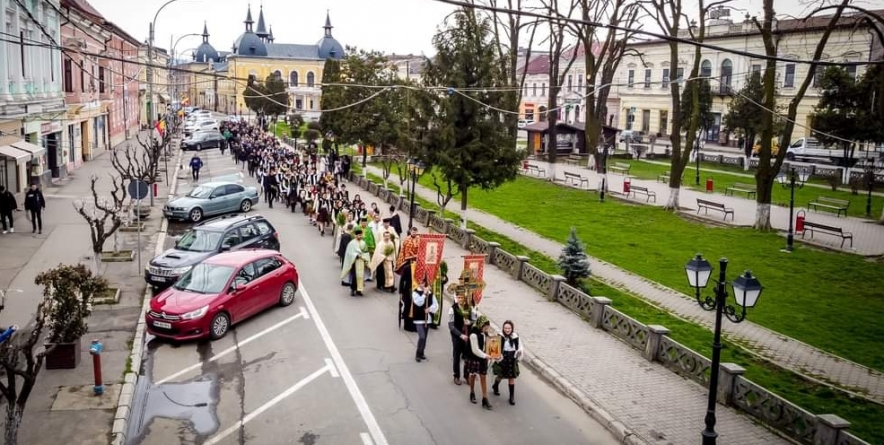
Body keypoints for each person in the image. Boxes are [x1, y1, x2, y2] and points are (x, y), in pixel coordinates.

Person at [464, 315, 496, 410]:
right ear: (480, 325)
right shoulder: (473, 335)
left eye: (487, 327)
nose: (486, 329)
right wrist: (485, 355)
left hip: (483, 359)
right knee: (473, 375)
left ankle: (485, 399)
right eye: (485, 327)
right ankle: (472, 392)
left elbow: (490, 343)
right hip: (474, 358)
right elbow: (475, 350)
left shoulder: (484, 333)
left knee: (483, 377)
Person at [448, 293, 478, 385]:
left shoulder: (469, 308)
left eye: (462, 297)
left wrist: (470, 322)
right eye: (458, 297)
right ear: (456, 298)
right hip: (457, 335)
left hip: (467, 334)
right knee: (457, 356)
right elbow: (451, 325)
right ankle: (456, 376)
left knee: (467, 356)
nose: (460, 299)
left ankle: (466, 375)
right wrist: (460, 335)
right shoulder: (452, 309)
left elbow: (474, 320)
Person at [395, 227, 420, 332]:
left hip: (416, 289)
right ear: (410, 232)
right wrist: (401, 292)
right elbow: (402, 281)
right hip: (407, 290)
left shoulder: (419, 269)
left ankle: (414, 324)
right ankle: (406, 324)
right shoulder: (407, 268)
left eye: (415, 231)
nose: (413, 262)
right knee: (407, 306)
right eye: (412, 231)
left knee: (416, 307)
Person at [492, 320, 522, 405]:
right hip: (502, 358)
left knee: (511, 377)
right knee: (500, 375)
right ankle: (495, 385)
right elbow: (495, 349)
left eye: (509, 328)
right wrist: (497, 358)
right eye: (505, 328)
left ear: (512, 328)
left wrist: (519, 352)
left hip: (512, 358)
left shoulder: (516, 336)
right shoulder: (499, 336)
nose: (507, 330)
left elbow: (520, 347)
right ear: (503, 328)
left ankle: (511, 397)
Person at [412, 280, 438, 362]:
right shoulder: (415, 292)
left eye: (423, 282)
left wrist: (429, 309)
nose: (422, 284)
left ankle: (422, 352)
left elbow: (435, 304)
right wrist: (424, 294)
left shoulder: (430, 293)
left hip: (428, 319)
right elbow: (418, 303)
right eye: (420, 282)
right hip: (419, 319)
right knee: (422, 336)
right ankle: (418, 353)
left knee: (425, 337)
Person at [340, 228, 370, 297]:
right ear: (355, 235)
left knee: (361, 277)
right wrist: (356, 255)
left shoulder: (363, 243)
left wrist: (364, 257)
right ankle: (353, 290)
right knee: (354, 277)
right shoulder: (352, 243)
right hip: (354, 262)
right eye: (358, 235)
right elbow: (349, 253)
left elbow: (366, 252)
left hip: (361, 262)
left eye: (360, 235)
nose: (360, 236)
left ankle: (359, 290)